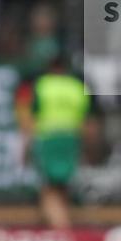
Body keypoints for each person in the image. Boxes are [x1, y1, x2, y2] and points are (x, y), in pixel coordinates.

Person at [16, 55, 91, 229]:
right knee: (63, 186)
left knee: (48, 187)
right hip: (71, 138)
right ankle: (57, 222)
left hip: (48, 138)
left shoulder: (43, 86)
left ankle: (61, 228)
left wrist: (25, 146)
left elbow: (30, 118)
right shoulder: (77, 87)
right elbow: (87, 122)